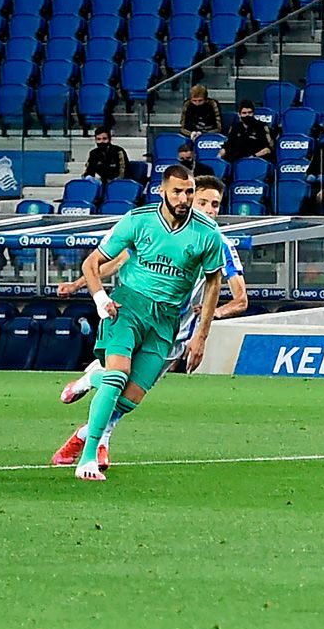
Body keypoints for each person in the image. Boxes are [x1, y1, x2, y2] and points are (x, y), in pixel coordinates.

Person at [52, 175, 248, 468]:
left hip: (173, 329)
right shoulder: (153, 225)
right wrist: (81, 284)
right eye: (202, 201)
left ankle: (86, 417)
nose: (208, 209)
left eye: (215, 205)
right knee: (117, 375)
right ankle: (97, 444)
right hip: (135, 309)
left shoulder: (216, 241)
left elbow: (237, 296)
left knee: (131, 396)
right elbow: (116, 261)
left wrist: (206, 325)